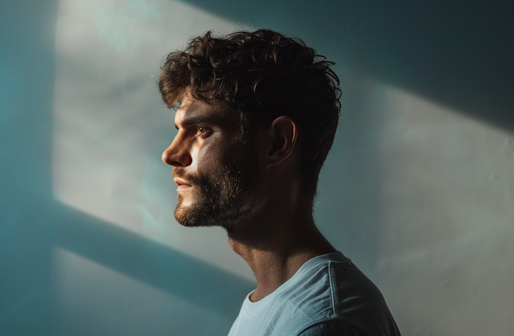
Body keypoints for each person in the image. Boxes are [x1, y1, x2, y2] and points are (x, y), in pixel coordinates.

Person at [158, 29, 401, 336]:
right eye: (179, 130)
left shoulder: (322, 323)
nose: (171, 154)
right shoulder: (278, 302)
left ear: (277, 142)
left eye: (203, 129)